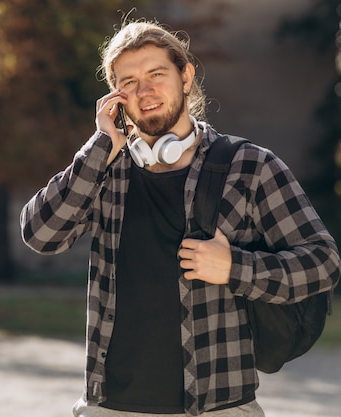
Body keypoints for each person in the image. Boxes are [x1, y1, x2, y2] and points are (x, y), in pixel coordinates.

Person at [19, 19, 340, 417]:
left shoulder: (250, 166)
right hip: (111, 408)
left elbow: (323, 263)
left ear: (186, 76)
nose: (145, 91)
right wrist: (101, 145)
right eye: (129, 82)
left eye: (157, 74)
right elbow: (40, 234)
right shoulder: (104, 170)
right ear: (116, 97)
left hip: (218, 406)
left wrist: (236, 267)